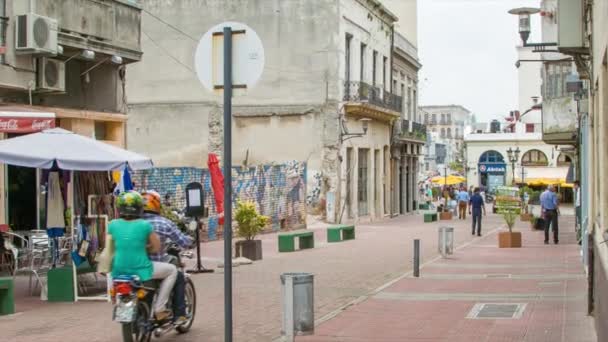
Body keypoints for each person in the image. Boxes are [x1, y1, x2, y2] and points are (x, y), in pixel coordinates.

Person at [108, 191, 177, 321]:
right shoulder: (144, 225)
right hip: (142, 269)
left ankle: (116, 300)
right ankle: (159, 308)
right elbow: (156, 247)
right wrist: (144, 248)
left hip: (119, 270)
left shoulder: (112, 225)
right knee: (172, 270)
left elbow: (109, 248)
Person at [142, 191, 193, 325]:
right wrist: (190, 240)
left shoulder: (133, 222)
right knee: (176, 274)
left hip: (132, 266)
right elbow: (182, 241)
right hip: (153, 266)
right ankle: (177, 314)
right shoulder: (164, 223)